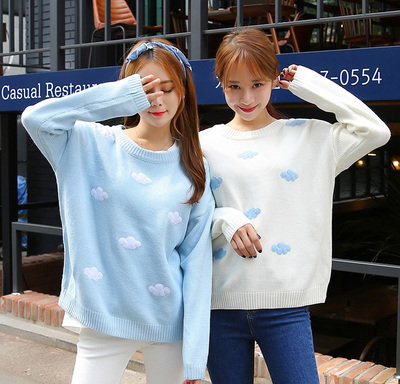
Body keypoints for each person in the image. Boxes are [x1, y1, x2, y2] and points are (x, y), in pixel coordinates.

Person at [200, 28, 391, 384]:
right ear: (220, 83)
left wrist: (307, 84)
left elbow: (375, 131)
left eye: (257, 84)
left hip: (284, 307)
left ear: (275, 79)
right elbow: (187, 217)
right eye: (234, 86)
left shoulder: (310, 136)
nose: (246, 97)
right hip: (218, 304)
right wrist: (225, 218)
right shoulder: (204, 143)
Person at [22, 39, 214, 384]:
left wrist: (195, 357)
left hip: (169, 323)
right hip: (103, 317)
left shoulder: (194, 165)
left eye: (167, 88)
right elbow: (36, 118)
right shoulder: (88, 144)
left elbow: (197, 261)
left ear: (184, 92)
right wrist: (120, 96)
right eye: (145, 89)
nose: (156, 99)